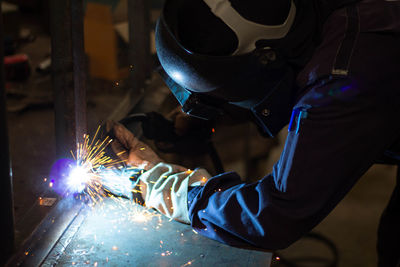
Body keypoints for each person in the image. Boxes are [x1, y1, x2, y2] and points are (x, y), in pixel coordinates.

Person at [110, 0, 400, 266]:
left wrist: (173, 190)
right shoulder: (308, 21)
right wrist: (211, 115)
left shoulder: (342, 78)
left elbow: (275, 214)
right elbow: (283, 76)